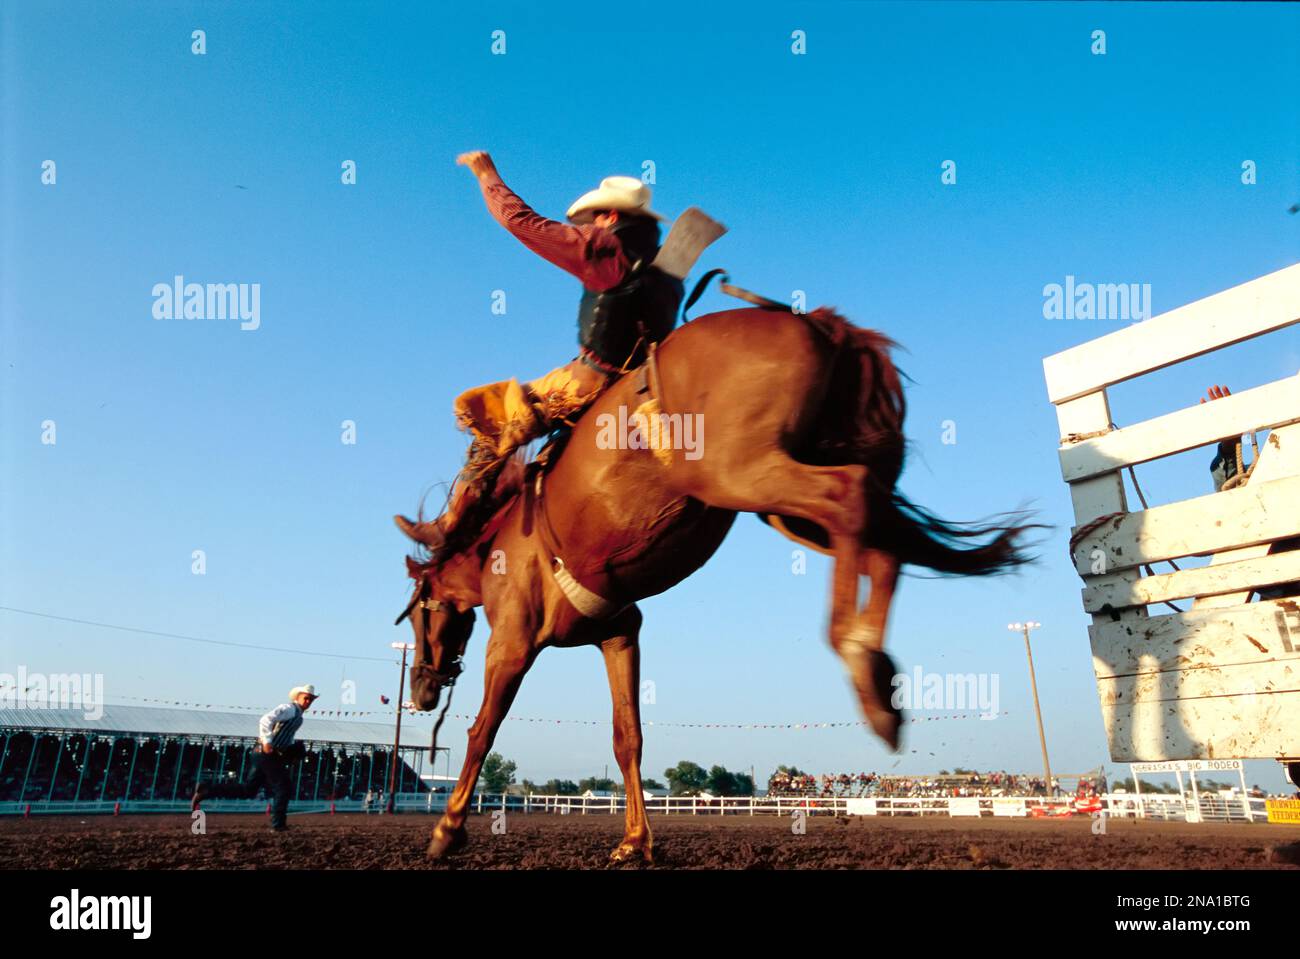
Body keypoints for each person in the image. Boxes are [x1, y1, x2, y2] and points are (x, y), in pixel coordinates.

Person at [394, 151, 684, 562]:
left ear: (609, 217)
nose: (587, 225)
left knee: (490, 415)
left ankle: (449, 526)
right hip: (646, 381)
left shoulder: (602, 250)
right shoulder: (663, 269)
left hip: (590, 380)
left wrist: (486, 175)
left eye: (594, 217)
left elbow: (521, 222)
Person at [191, 684, 319, 832]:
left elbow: (286, 736)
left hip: (262, 754)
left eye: (311, 699)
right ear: (298, 697)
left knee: (248, 790)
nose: (308, 701)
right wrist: (267, 741)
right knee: (283, 786)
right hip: (266, 753)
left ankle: (207, 790)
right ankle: (278, 825)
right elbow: (266, 719)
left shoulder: (298, 716)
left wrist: (289, 750)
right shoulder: (289, 709)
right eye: (306, 698)